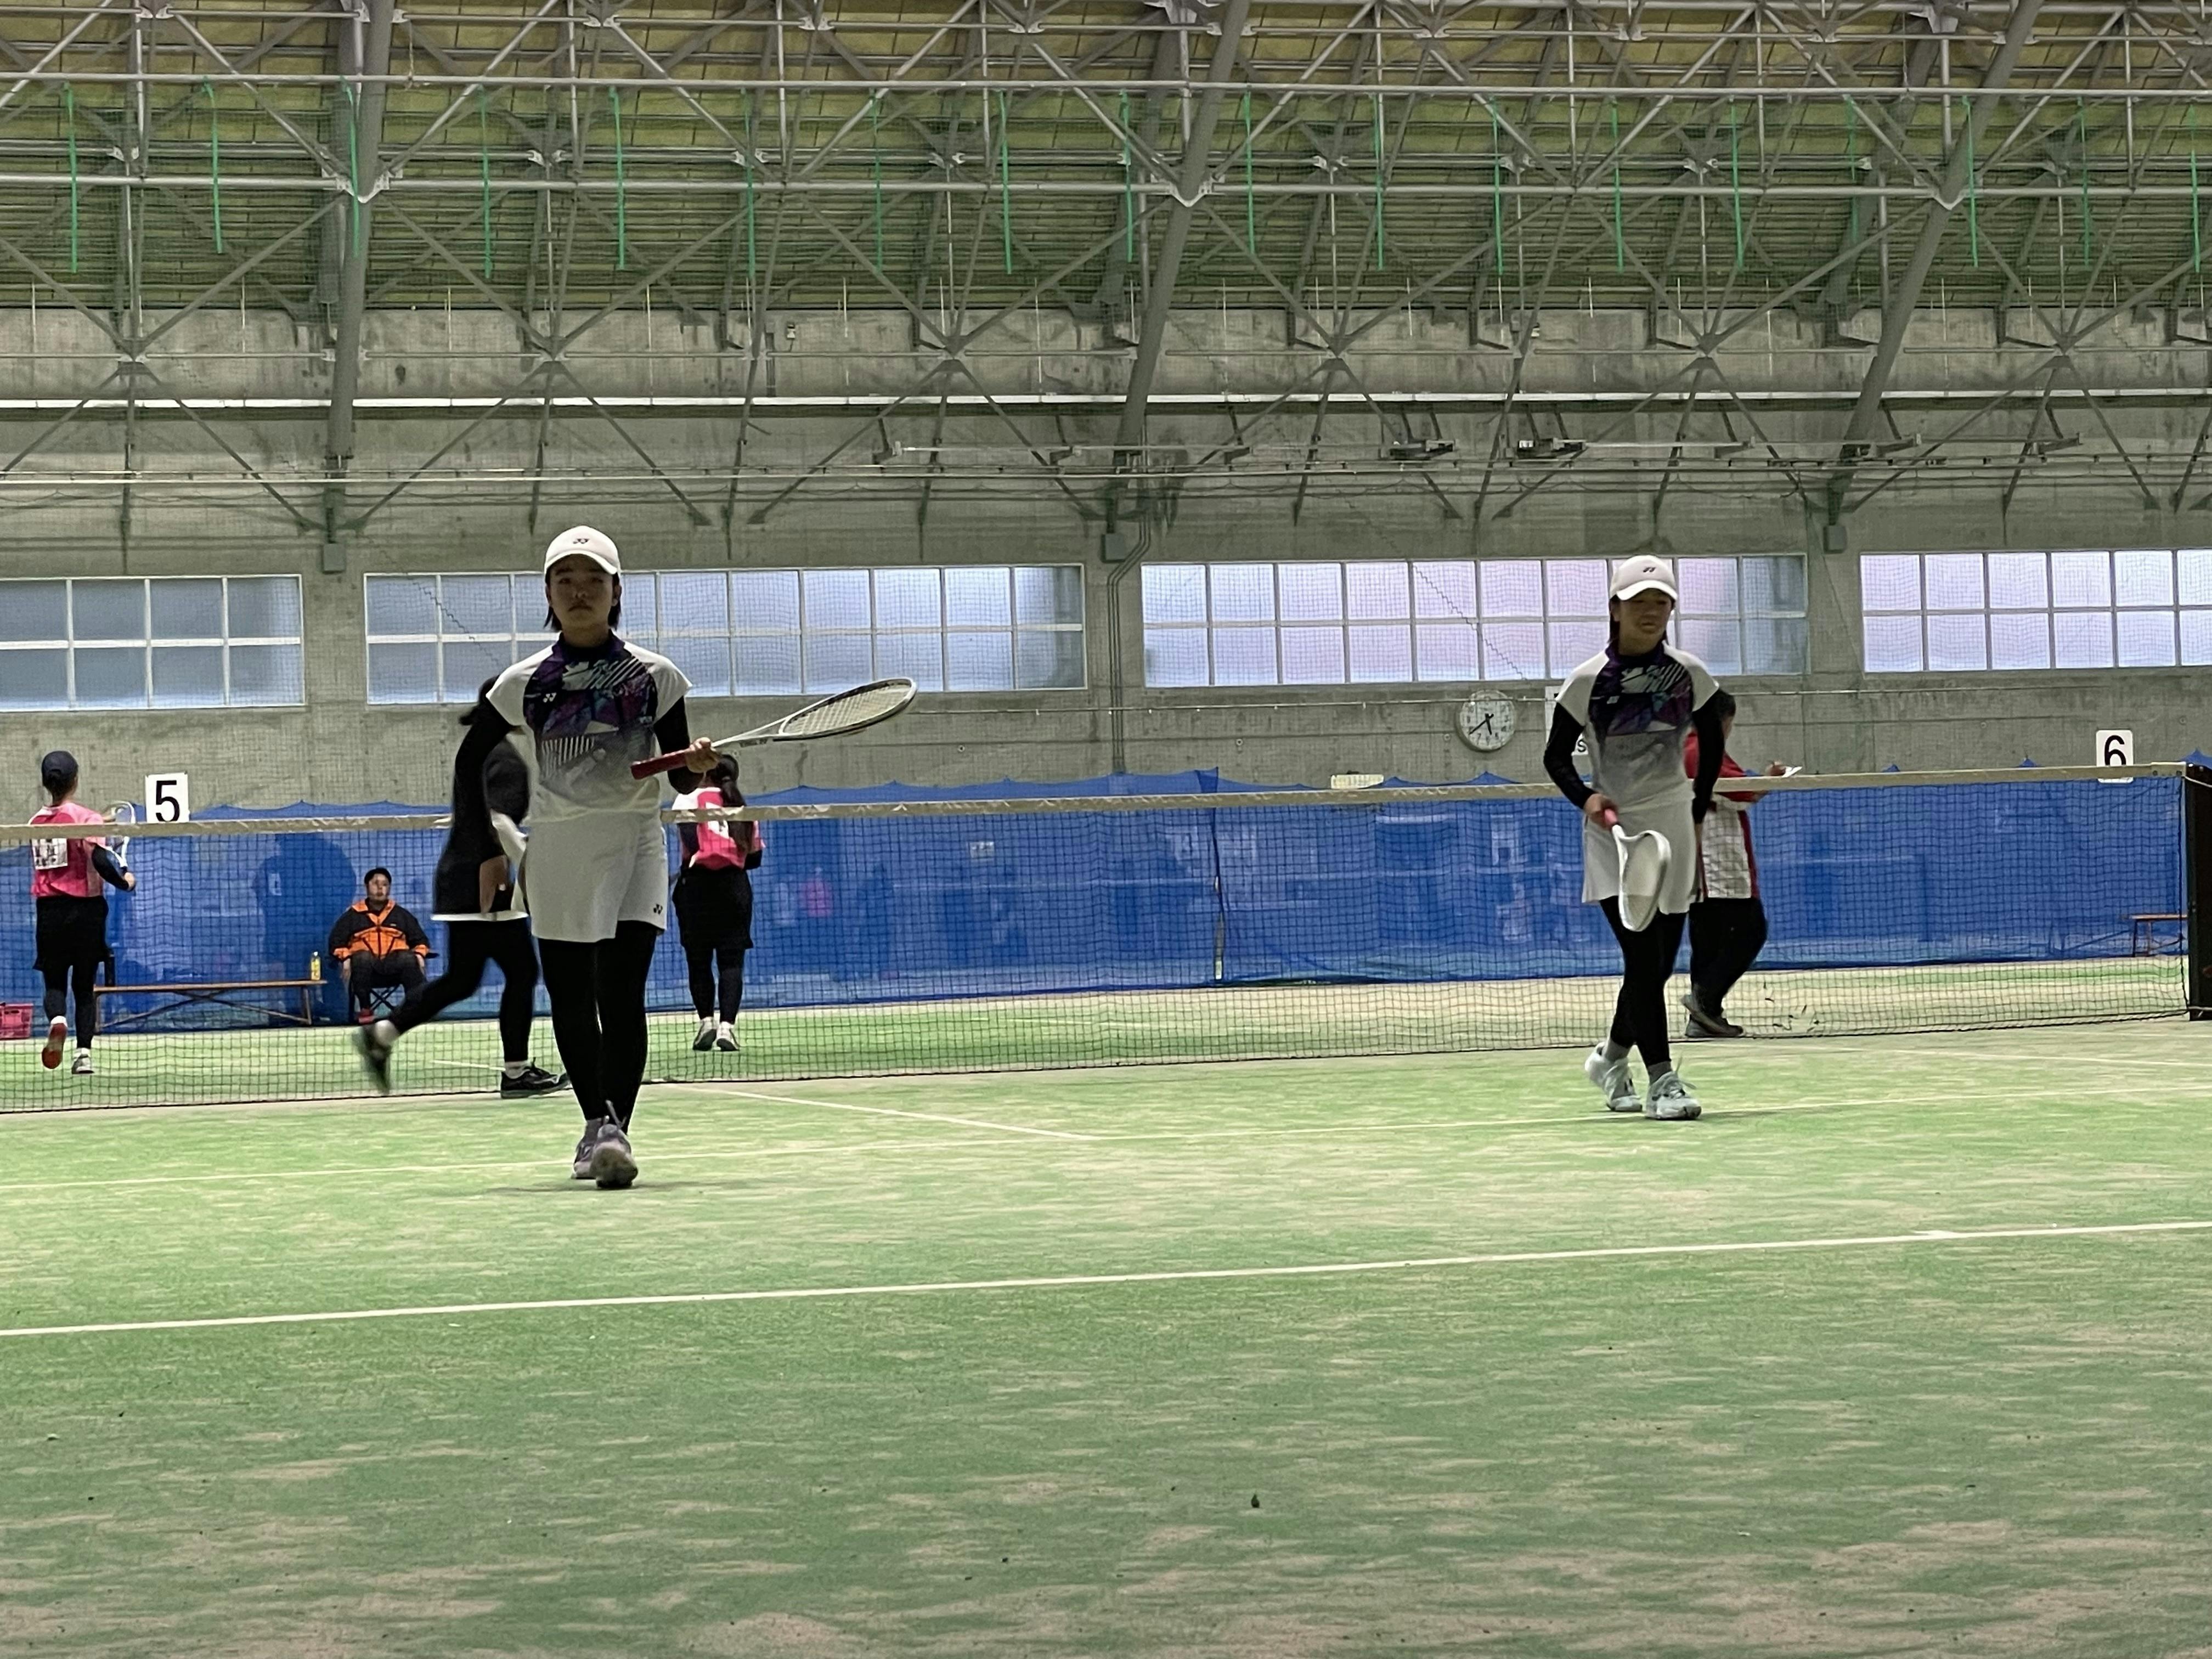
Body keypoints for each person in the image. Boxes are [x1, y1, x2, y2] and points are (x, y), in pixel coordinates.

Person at [448, 525, 718, 1189]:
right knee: (571, 996)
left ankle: (613, 1131)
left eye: (593, 580)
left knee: (623, 994)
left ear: (616, 591)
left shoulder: (657, 676)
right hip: (559, 849)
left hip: (636, 844)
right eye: (565, 580)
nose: (579, 591)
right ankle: (595, 1121)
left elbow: (681, 778)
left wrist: (700, 764)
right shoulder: (524, 682)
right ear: (547, 593)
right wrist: (486, 848)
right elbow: (468, 761)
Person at [1544, 554, 1724, 1121]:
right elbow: (1555, 757)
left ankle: (1611, 1059)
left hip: (1674, 825)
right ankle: (1663, 1082)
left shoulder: (1690, 674)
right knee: (1643, 957)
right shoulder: (1587, 680)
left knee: (1658, 963)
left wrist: (1696, 806)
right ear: (1615, 610)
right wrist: (1587, 798)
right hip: (1615, 833)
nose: (1650, 611)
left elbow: (1713, 741)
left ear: (1671, 610)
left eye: (1661, 602)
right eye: (1638, 601)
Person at [354, 680, 566, 1097]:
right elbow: (498, 821)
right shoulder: (502, 756)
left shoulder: (481, 748)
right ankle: (516, 1071)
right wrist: (533, 867)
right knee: (522, 972)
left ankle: (382, 1033)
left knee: (463, 978)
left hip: (461, 880)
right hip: (485, 880)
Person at [1681, 687, 1787, 1040]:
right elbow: (1744, 791)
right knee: (1751, 929)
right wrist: (1771, 779)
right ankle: (1704, 1000)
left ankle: (1704, 1018)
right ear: (1722, 720)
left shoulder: (1685, 749)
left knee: (1707, 940)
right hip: (1716, 863)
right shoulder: (1702, 749)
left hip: (1696, 863)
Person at [28, 751, 133, 1076]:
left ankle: (57, 1020)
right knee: (85, 988)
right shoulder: (87, 819)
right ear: (75, 780)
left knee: (54, 983)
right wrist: (125, 881)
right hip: (86, 912)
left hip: (49, 912)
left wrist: (100, 823)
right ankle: (83, 1056)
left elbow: (67, 829)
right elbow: (100, 860)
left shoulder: (35, 822)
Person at [671, 757, 764, 1053]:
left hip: (696, 887)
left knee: (698, 960)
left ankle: (706, 1022)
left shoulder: (687, 798)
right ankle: (727, 1028)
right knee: (731, 961)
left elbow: (691, 843)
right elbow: (755, 858)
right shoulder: (740, 804)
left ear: (704, 773)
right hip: (734, 888)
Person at [328, 869, 430, 1023]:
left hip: (396, 970)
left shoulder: (402, 915)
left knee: (408, 958)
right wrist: (346, 958)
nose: (380, 888)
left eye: (385, 885)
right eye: (376, 884)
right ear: (367, 887)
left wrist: (420, 955)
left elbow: (421, 940)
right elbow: (336, 942)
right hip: (366, 971)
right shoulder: (352, 916)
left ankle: (415, 1009)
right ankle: (365, 1009)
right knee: (361, 957)